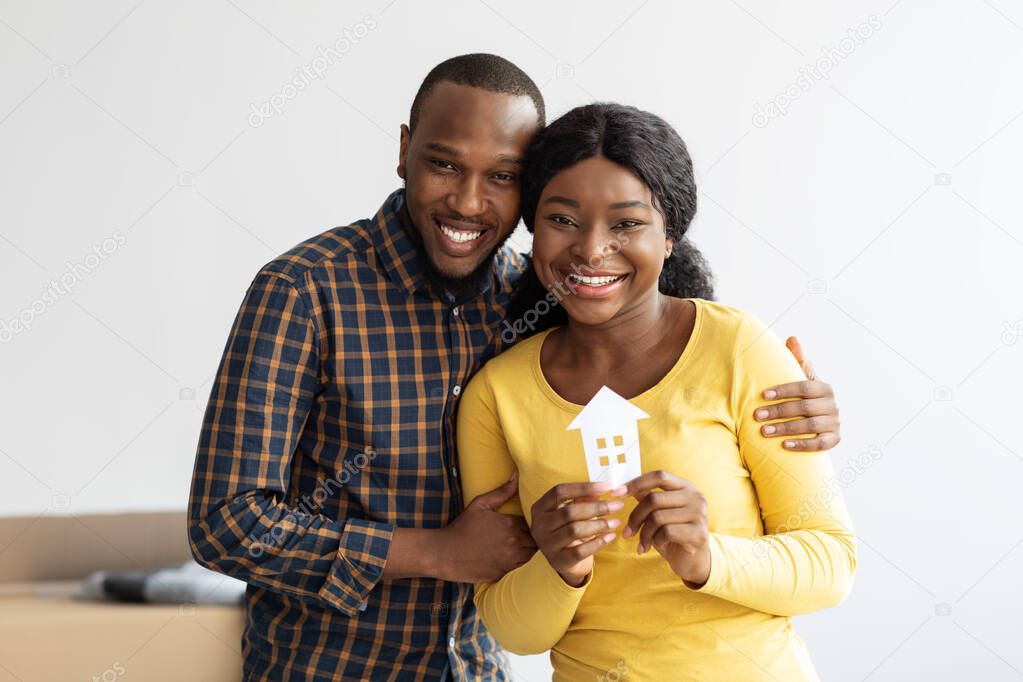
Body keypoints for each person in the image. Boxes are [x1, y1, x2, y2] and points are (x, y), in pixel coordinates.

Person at [188, 53, 842, 681]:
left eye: (500, 176)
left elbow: (662, 352)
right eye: (444, 164)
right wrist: (440, 552)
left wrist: (786, 401)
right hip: (335, 669)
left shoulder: (535, 299)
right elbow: (225, 521)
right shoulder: (306, 292)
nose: (468, 203)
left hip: (475, 669)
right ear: (402, 151)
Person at [457, 103, 856, 681]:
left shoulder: (739, 348)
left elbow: (833, 564)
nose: (592, 250)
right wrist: (560, 566)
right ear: (533, 227)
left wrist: (706, 555)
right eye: (563, 219)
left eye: (626, 223)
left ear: (669, 235)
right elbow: (511, 632)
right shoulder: (498, 392)